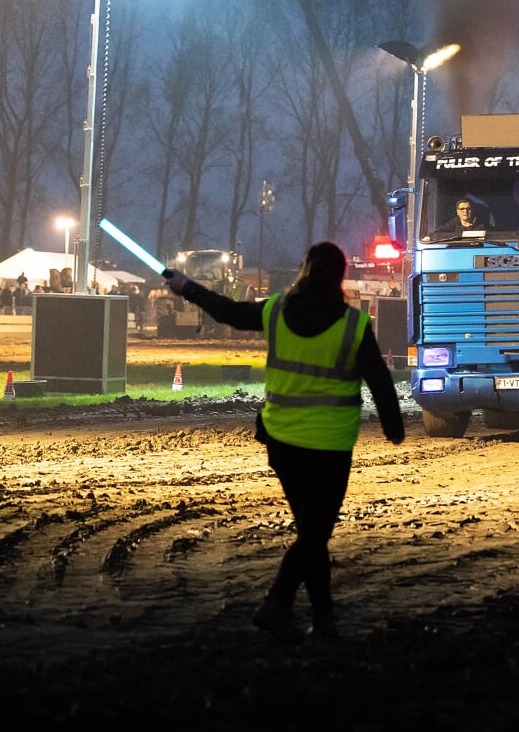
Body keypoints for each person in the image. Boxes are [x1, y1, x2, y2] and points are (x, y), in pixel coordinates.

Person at [165, 241, 405, 643]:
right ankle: (281, 605)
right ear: (341, 275)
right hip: (330, 446)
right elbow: (380, 381)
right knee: (314, 535)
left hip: (283, 442)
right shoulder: (353, 325)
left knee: (311, 534)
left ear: (304, 269)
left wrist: (187, 287)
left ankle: (318, 619)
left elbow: (230, 312)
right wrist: (393, 428)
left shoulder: (276, 310)